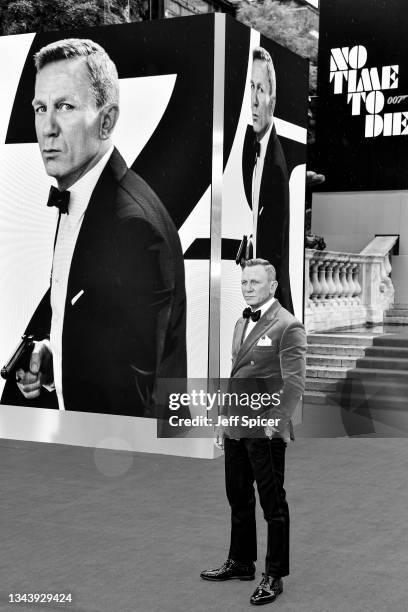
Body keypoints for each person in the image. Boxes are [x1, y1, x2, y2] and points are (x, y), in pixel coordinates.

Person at [1, 38, 186, 417]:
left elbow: (132, 401)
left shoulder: (133, 228)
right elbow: (105, 337)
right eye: (40, 108)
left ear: (107, 120)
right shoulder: (84, 194)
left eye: (65, 107)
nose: (47, 128)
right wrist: (55, 356)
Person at [201, 259, 306, 606]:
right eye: (244, 281)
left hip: (265, 432)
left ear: (272, 287)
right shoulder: (239, 322)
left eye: (255, 282)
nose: (247, 287)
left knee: (273, 505)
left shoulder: (288, 325)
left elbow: (293, 384)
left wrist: (273, 425)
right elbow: (235, 377)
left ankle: (273, 575)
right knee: (238, 498)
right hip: (235, 427)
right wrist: (222, 419)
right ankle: (241, 562)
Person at [241, 47, 293, 313]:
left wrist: (262, 307)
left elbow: (274, 257)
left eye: (260, 89)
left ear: (272, 99)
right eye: (251, 87)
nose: (253, 99)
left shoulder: (274, 165)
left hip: (272, 307)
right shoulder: (251, 148)